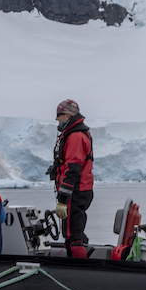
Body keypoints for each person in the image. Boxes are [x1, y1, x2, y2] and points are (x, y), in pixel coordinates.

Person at [49, 99, 94, 258]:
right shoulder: (77, 134)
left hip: (75, 192)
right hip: (80, 190)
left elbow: (73, 169)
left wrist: (63, 199)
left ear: (67, 115)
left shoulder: (75, 136)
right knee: (75, 232)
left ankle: (79, 272)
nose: (56, 119)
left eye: (59, 115)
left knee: (73, 236)